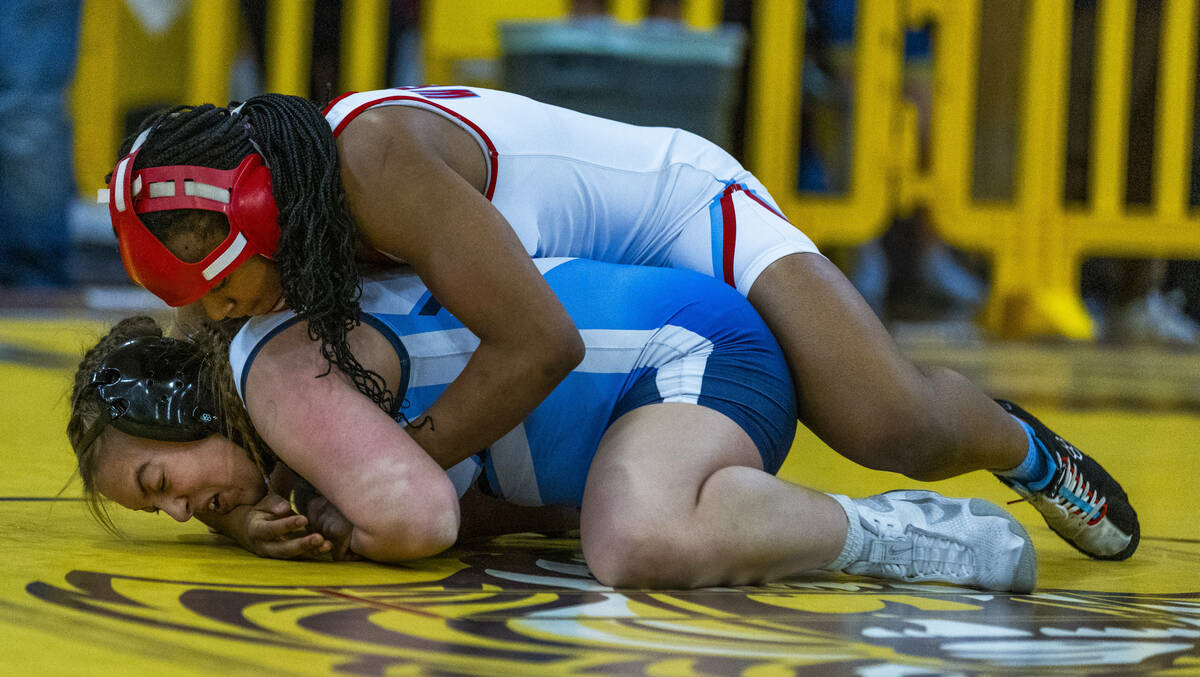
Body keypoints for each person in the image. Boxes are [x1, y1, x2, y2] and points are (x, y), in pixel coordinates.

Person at [98, 85, 1138, 562]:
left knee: (886, 424)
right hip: (581, 292)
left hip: (676, 217)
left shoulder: (375, 168)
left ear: (261, 227)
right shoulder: (296, 222)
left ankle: (1020, 443)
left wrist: (388, 471)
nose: (219, 320)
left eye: (224, 296)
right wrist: (246, 509)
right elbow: (236, 406)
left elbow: (538, 344)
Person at [68, 258, 1037, 592]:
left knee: (637, 535)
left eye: (164, 482)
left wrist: (325, 521)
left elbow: (421, 516)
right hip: (640, 396)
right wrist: (256, 513)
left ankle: (900, 531)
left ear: (194, 407)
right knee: (625, 521)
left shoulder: (299, 372)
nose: (184, 506)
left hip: (689, 351)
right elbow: (488, 506)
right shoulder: (279, 417)